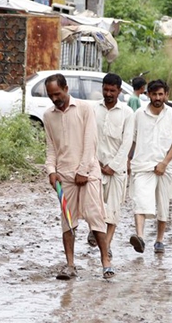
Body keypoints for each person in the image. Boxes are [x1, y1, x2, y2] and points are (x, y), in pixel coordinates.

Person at [43, 73, 113, 280]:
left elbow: (90, 142)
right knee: (68, 221)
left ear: (66, 88)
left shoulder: (84, 109)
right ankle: (70, 265)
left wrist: (83, 171)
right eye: (50, 96)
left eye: (57, 94)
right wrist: (51, 171)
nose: (54, 99)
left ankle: (105, 262)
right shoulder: (48, 116)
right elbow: (51, 148)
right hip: (64, 176)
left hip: (89, 174)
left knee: (96, 218)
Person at [128, 80, 172, 255]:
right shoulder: (139, 114)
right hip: (142, 165)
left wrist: (164, 163)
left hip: (165, 167)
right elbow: (133, 140)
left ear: (166, 95)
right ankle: (140, 237)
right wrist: (127, 160)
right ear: (148, 95)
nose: (157, 98)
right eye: (154, 94)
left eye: (161, 94)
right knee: (140, 200)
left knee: (163, 205)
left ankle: (159, 240)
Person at [92, 73, 134, 258]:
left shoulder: (127, 113)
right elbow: (90, 138)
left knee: (113, 210)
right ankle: (95, 232)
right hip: (95, 166)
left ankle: (106, 246)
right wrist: (97, 163)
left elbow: (127, 142)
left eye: (112, 90)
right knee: (96, 208)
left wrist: (113, 166)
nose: (108, 93)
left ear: (119, 91)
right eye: (105, 89)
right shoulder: (93, 110)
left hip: (117, 170)